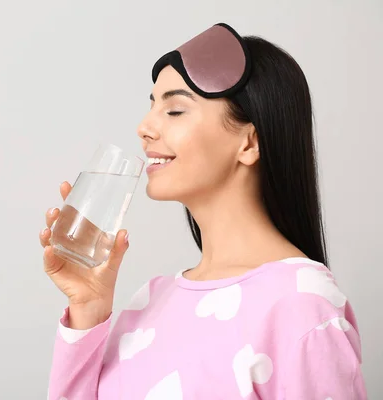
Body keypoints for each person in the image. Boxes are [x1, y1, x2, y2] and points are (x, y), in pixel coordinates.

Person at [39, 23, 367, 399]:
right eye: (152, 106)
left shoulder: (302, 305)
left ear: (250, 142)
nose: (144, 127)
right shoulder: (151, 299)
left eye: (175, 110)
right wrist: (89, 309)